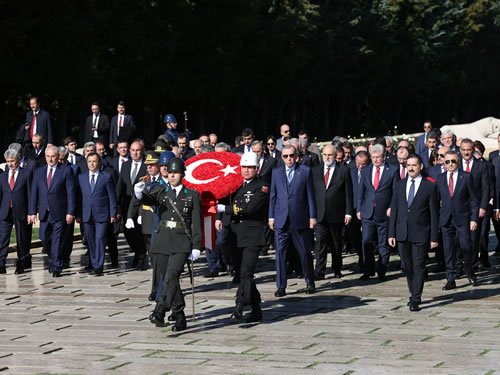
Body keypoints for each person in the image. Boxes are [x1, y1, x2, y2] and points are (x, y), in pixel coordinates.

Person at [137, 157, 202, 332]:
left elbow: (196, 222)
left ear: (182, 174)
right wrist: (139, 192)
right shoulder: (162, 192)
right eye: (170, 172)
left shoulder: (192, 195)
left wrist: (197, 245)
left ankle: (160, 310)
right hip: (163, 240)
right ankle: (180, 316)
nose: (172, 176)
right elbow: (148, 200)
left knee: (172, 276)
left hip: (182, 241)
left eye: (176, 173)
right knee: (170, 280)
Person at [216, 152, 268, 323]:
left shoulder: (261, 186)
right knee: (242, 274)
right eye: (244, 167)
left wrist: (225, 210)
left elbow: (250, 207)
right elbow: (222, 197)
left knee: (246, 272)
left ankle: (239, 306)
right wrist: (218, 217)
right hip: (235, 234)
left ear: (257, 168)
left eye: (250, 167)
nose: (246, 170)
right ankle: (256, 308)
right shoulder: (234, 184)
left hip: (252, 235)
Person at [388, 154, 439, 311]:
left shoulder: (429, 186)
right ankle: (413, 292)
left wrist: (434, 237)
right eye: (408, 165)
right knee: (408, 267)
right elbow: (394, 210)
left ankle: (416, 298)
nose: (410, 168)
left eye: (414, 165)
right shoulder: (399, 185)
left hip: (421, 232)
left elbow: (434, 214)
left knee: (419, 266)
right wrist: (391, 233)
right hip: (402, 232)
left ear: (420, 166)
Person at [269, 144, 317, 297]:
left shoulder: (305, 171)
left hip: (300, 218)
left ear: (296, 156)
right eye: (285, 156)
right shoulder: (276, 173)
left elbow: (310, 195)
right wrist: (271, 216)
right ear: (281, 157)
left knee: (304, 252)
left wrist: (312, 216)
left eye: (291, 156)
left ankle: (310, 282)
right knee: (280, 254)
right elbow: (273, 196)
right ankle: (281, 286)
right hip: (281, 219)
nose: (289, 159)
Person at [29, 146, 76, 277]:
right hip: (44, 212)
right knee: (44, 238)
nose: (50, 159)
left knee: (57, 239)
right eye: (48, 156)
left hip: (60, 211)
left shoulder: (66, 171)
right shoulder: (39, 171)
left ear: (58, 156)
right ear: (45, 157)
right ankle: (54, 258)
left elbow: (71, 193)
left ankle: (56, 266)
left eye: (53, 156)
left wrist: (70, 212)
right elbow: (34, 192)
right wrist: (32, 212)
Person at [436, 151, 479, 290]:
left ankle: (469, 270)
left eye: (453, 161)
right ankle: (450, 278)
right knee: (448, 250)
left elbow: (473, 200)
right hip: (446, 219)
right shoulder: (440, 178)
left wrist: (474, 219)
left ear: (458, 161)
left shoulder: (466, 177)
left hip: (463, 218)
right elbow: (436, 200)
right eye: (447, 162)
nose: (450, 164)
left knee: (466, 246)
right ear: (444, 163)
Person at [357, 144, 398, 281]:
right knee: (366, 241)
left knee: (383, 244)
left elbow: (395, 192)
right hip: (367, 212)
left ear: (383, 157)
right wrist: (359, 209)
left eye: (378, 157)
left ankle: (382, 269)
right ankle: (368, 270)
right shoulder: (366, 170)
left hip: (383, 213)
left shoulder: (392, 170)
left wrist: (392, 207)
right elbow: (361, 191)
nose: (375, 160)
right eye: (373, 157)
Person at [312, 143, 353, 279]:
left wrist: (348, 212)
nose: (327, 157)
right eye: (324, 155)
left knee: (336, 243)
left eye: (330, 155)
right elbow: (312, 193)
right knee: (320, 244)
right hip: (320, 213)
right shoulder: (316, 170)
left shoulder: (343, 170)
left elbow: (348, 193)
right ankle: (320, 271)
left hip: (337, 213)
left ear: (335, 156)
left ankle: (337, 268)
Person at [76, 153, 117, 275]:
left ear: (99, 163)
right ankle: (94, 263)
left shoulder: (106, 177)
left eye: (94, 161)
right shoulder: (81, 177)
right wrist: (78, 214)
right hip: (87, 214)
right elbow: (79, 197)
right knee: (90, 240)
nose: (92, 164)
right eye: (89, 162)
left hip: (102, 214)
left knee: (100, 238)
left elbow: (112, 197)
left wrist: (113, 213)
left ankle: (99, 266)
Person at [458, 139, 491, 270]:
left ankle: (471, 266)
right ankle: (460, 266)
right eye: (464, 150)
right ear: (460, 150)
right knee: (460, 239)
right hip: (460, 208)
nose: (466, 152)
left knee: (475, 238)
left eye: (469, 150)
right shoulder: (456, 164)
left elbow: (486, 188)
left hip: (476, 208)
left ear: (473, 150)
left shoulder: (481, 166)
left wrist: (483, 206)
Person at [0, 149, 33, 274]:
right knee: (2, 238)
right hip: (5, 211)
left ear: (18, 161)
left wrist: (31, 212)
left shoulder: (26, 174)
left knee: (21, 238)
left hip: (21, 211)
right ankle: (1, 262)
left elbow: (30, 194)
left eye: (12, 161)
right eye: (8, 161)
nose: (10, 164)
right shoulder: (3, 176)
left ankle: (21, 262)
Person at [117, 140, 148, 268]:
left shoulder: (147, 166)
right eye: (133, 150)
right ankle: (138, 251)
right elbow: (120, 185)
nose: (135, 153)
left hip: (141, 205)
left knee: (139, 231)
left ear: (142, 151)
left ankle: (141, 256)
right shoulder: (126, 165)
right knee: (128, 232)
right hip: (126, 203)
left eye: (138, 150)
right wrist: (117, 203)